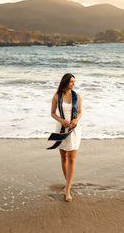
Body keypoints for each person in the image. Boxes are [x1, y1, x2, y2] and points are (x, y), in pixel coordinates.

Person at [50, 73, 82, 202]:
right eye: (71, 82)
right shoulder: (57, 96)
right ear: (65, 82)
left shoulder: (77, 97)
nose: (73, 84)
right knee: (63, 157)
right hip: (61, 128)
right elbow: (52, 113)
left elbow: (80, 112)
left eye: (74, 82)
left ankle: (67, 189)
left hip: (74, 129)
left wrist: (76, 119)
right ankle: (67, 184)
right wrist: (61, 120)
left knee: (72, 158)